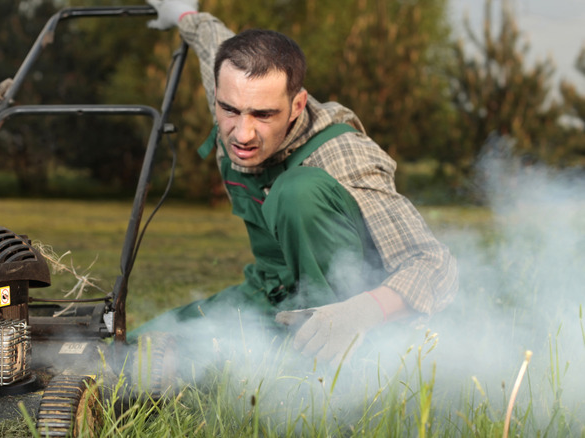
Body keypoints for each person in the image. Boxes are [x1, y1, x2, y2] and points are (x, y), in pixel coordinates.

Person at [133, 0, 458, 366]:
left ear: (298, 104)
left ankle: (336, 369)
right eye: (230, 110)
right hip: (269, 293)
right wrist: (182, 13)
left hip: (349, 313)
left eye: (264, 114)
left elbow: (436, 266)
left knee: (297, 191)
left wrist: (359, 313)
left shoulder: (343, 156)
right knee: (137, 348)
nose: (242, 133)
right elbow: (212, 40)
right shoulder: (233, 88)